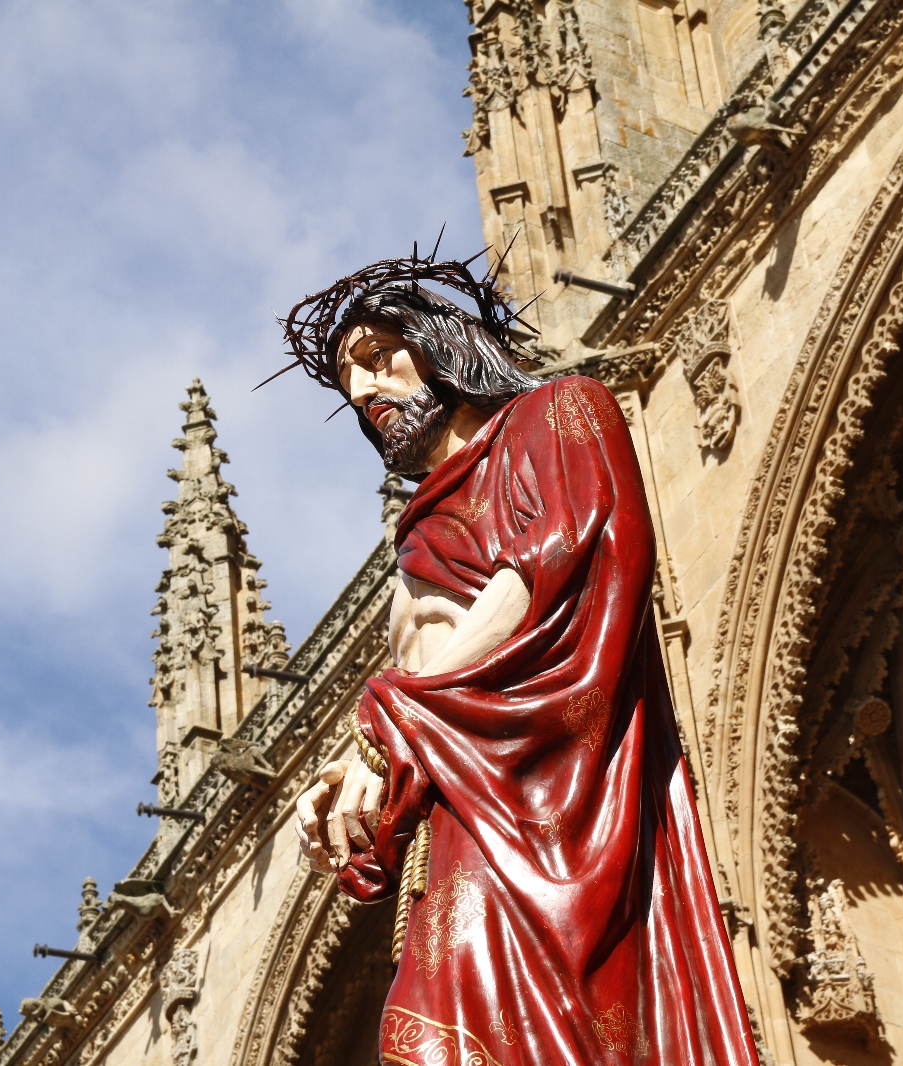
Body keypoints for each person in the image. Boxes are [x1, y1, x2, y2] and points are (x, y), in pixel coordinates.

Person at [278, 254, 760, 1066]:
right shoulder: (419, 541)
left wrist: (385, 729)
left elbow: (557, 570)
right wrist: (372, 773)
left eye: (375, 359)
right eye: (348, 386)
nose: (365, 396)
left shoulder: (561, 413)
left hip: (553, 819)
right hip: (462, 825)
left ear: (439, 343)